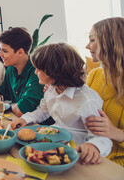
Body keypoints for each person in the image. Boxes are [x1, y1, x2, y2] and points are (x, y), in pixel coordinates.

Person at [11, 43, 112, 165]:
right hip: (55, 145)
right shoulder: (51, 89)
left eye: (39, 69)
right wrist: (26, 118)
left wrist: (94, 146)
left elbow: (103, 137)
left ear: (54, 72)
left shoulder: (87, 100)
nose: (35, 72)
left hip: (78, 154)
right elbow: (43, 111)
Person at [85, 17, 124, 166]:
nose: (87, 46)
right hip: (91, 156)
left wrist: (117, 133)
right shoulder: (95, 75)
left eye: (92, 40)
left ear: (111, 43)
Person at [0, 27, 50, 121]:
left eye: (4, 51)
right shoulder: (10, 68)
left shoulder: (37, 72)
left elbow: (21, 111)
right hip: (17, 121)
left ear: (20, 52)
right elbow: (1, 95)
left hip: (39, 127)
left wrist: (10, 105)